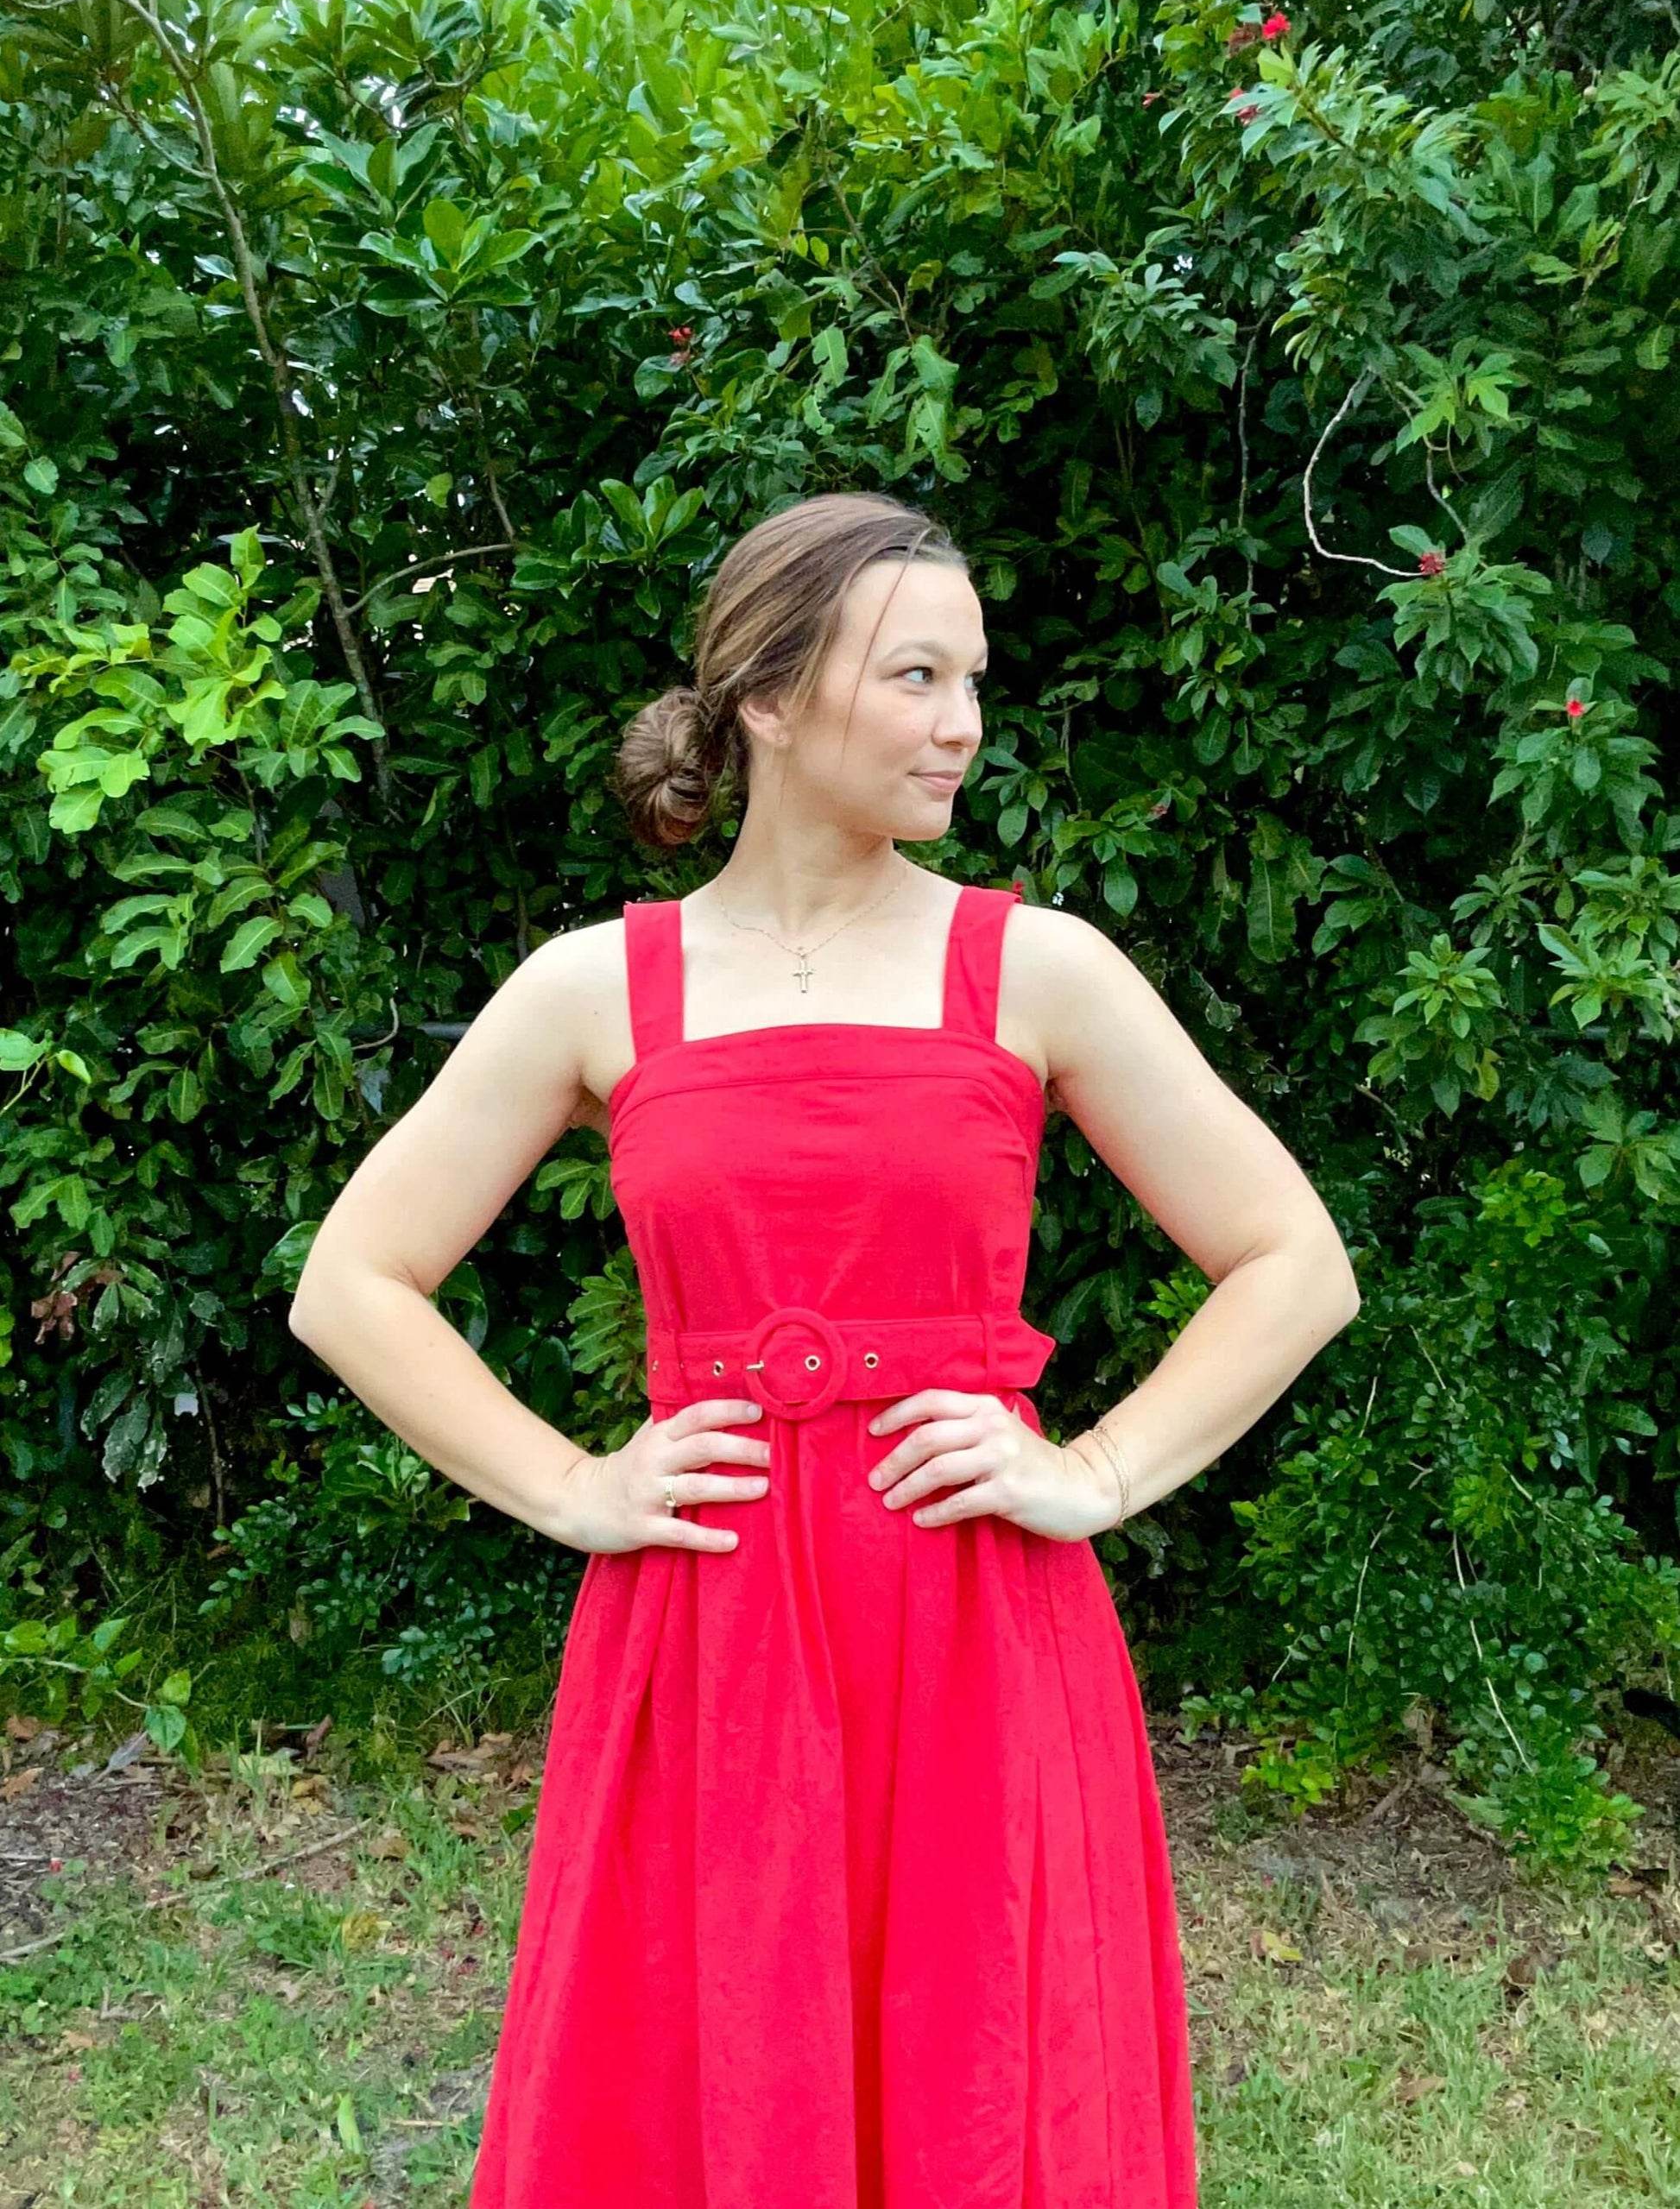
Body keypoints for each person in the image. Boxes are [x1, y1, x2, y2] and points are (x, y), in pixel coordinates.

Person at [288, 489, 1361, 2207]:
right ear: (772, 698)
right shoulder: (598, 985)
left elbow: (1292, 1259)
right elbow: (353, 1279)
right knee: (708, 2070)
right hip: (704, 1633)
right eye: (917, 674)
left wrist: (1094, 1469)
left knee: (984, 2068)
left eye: (974, 677)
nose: (964, 722)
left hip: (969, 1625)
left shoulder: (1037, 967)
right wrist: (571, 1482)